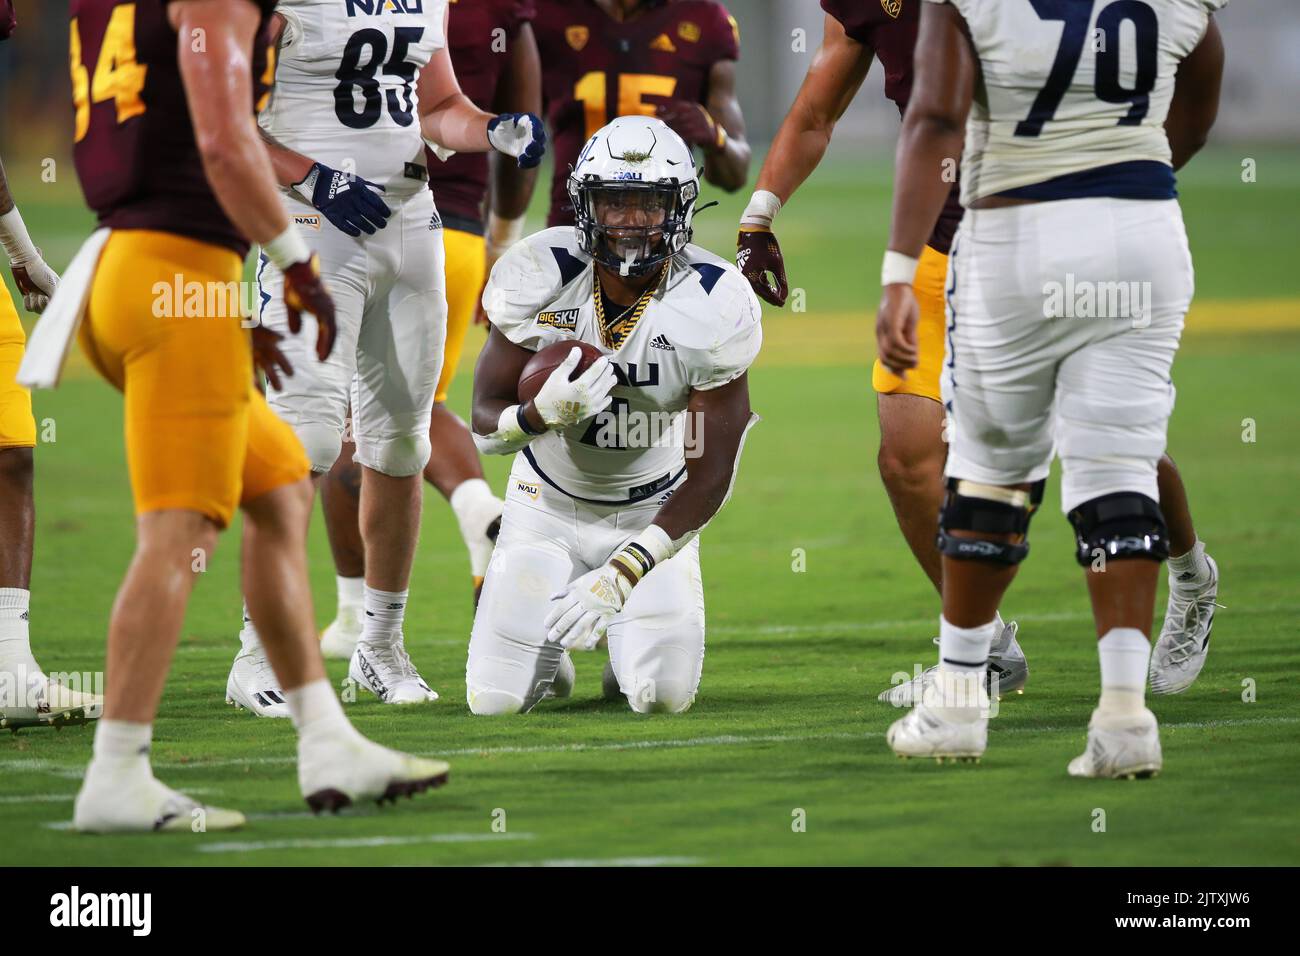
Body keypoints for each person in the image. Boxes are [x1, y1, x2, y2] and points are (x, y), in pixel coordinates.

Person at [736, 0, 1220, 707]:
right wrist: (759, 212)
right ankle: (984, 648)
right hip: (945, 244)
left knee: (1106, 447)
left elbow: (1191, 69)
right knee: (906, 458)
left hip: (1058, 232)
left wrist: (1127, 185)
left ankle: (1192, 575)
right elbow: (817, 109)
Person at [39, 0, 449, 831]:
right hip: (170, 274)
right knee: (178, 535)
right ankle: (117, 773)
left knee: (276, 486)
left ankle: (325, 737)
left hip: (143, 267)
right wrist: (296, 265)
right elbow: (225, 142)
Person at [875, 0, 1226, 775]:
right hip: (1141, 233)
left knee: (991, 469)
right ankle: (1125, 719)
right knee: (1118, 467)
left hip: (1018, 230)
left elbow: (935, 116)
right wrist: (1121, 180)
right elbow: (1200, 95)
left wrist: (900, 272)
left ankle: (960, 700)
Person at [226, 0, 547, 714]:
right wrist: (311, 177)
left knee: (401, 442)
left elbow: (438, 109)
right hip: (304, 225)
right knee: (301, 439)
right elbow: (226, 120)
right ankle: (256, 654)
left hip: (409, 223)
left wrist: (492, 130)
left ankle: (378, 646)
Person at [465, 115, 761, 715]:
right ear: (584, 204)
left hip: (653, 510)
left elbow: (711, 474)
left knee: (660, 699)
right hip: (544, 506)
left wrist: (627, 569)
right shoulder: (541, 274)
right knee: (494, 703)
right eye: (613, 202)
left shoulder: (712, 302)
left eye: (647, 205)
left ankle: (627, 648)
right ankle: (552, 651)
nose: (629, 221)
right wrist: (536, 415)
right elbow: (482, 422)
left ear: (677, 208)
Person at [316, 0, 544, 669]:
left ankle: (353, 613)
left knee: (349, 423)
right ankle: (474, 515)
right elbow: (520, 122)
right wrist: (505, 236)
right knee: (400, 415)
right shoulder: (493, 9)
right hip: (457, 234)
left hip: (338, 218)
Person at [533, 0, 750, 228]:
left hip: (660, 237)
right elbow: (518, 139)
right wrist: (504, 229)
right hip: (571, 227)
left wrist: (715, 138)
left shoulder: (704, 17)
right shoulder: (547, 13)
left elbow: (735, 175)